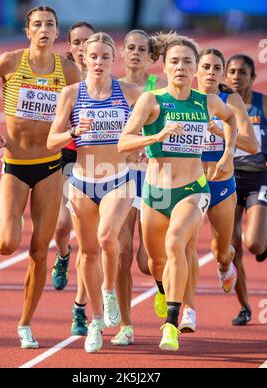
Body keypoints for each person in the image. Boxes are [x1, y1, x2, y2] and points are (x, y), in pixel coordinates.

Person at [0, 6, 80, 349]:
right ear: (28, 31)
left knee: (38, 252)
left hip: (50, 168)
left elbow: (91, 105)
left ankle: (25, 323)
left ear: (57, 33)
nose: (44, 29)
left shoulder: (69, 70)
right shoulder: (10, 62)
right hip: (14, 166)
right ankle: (11, 213)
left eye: (50, 24)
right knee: (6, 244)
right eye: (37, 24)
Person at [118, 33, 237, 351]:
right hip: (155, 193)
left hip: (193, 190)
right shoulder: (151, 100)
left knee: (176, 244)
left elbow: (231, 119)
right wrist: (154, 138)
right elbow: (123, 143)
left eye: (187, 61)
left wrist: (227, 152)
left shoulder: (206, 101)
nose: (181, 66)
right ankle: (161, 288)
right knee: (155, 263)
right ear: (165, 66)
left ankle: (171, 324)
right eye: (175, 61)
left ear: (196, 67)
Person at [47, 32, 141, 353]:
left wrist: (143, 148)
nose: (99, 62)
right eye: (93, 56)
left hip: (118, 179)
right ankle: (97, 322)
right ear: (83, 59)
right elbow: (51, 140)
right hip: (83, 182)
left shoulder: (130, 92)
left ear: (114, 59)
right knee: (87, 254)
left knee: (106, 238)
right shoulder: (71, 94)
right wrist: (74, 131)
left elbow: (150, 128)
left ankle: (110, 289)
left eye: (105, 56)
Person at [179, 49, 258, 333]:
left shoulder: (230, 100)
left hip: (221, 182)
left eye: (216, 68)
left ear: (222, 74)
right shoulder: (182, 98)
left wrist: (219, 133)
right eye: (206, 67)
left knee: (220, 250)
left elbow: (252, 146)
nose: (211, 72)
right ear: (196, 71)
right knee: (186, 244)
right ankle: (188, 309)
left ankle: (225, 265)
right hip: (189, 182)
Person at [111, 29, 167, 347]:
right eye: (129, 47)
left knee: (148, 261)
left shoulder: (159, 90)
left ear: (151, 56)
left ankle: (161, 287)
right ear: (122, 53)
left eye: (141, 49)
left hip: (153, 178)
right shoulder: (111, 88)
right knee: (121, 252)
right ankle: (126, 325)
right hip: (117, 176)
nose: (134, 53)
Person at [51, 21, 96, 338]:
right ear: (70, 46)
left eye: (87, 42)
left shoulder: (106, 79)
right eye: (77, 42)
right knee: (61, 226)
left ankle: (80, 309)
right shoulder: (63, 78)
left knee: (93, 243)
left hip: (96, 162)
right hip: (66, 156)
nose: (81, 47)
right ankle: (63, 255)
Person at [226, 55, 267, 325]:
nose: (236, 77)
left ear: (253, 77)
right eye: (232, 72)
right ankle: (244, 307)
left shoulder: (262, 103)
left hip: (259, 178)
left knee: (253, 243)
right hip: (230, 179)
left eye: (243, 72)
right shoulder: (220, 104)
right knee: (232, 248)